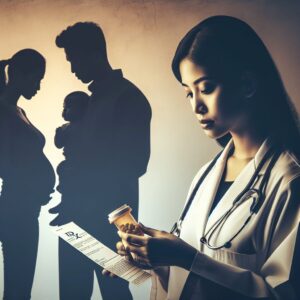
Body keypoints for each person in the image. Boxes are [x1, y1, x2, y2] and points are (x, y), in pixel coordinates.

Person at [113, 16, 300, 300]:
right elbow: (195, 268)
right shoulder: (206, 175)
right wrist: (151, 256)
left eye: (206, 88)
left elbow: (283, 294)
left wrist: (186, 259)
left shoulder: (289, 180)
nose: (196, 106)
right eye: (189, 93)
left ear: (247, 84)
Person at [51, 22, 152, 300]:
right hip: (75, 218)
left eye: (74, 60)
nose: (72, 70)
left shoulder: (127, 97)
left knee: (116, 294)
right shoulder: (89, 102)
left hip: (111, 224)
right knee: (71, 294)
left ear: (93, 53)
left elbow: (135, 163)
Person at [0, 49, 55, 299]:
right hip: (17, 209)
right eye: (38, 79)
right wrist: (31, 187)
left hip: (25, 208)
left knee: (20, 285)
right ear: (21, 74)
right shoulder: (2, 110)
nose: (40, 86)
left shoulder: (15, 109)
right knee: (19, 288)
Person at [50, 91, 89, 198]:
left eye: (67, 108)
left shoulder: (87, 126)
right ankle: (64, 199)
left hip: (82, 162)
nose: (64, 111)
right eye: (64, 108)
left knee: (72, 180)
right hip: (69, 160)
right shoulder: (65, 127)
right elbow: (58, 144)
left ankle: (67, 200)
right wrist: (58, 134)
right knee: (63, 170)